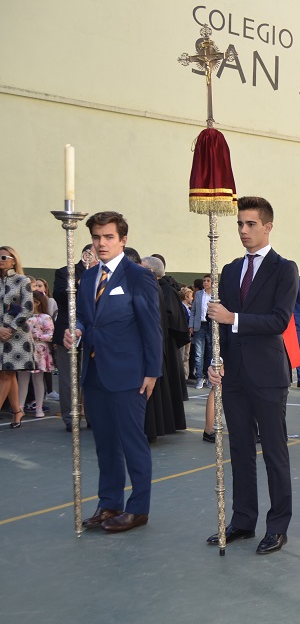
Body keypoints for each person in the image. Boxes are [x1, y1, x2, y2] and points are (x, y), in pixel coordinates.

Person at [205, 196, 298, 555]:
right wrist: (218, 360)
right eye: (240, 224)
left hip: (269, 373)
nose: (244, 230)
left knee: (274, 451)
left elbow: (279, 319)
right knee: (240, 448)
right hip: (235, 374)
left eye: (251, 224)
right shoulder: (229, 270)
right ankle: (243, 521)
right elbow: (220, 327)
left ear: (268, 226)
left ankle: (277, 526)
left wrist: (234, 319)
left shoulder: (284, 268)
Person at [64, 212, 161, 533]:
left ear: (122, 240)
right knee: (104, 444)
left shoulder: (138, 276)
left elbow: (151, 326)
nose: (101, 243)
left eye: (108, 237)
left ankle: (139, 509)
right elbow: (85, 320)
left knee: (132, 443)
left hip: (129, 374)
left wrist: (152, 371)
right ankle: (109, 504)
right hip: (94, 374)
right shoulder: (89, 278)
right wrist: (74, 330)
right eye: (96, 237)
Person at [140, 256, 186, 442]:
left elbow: (171, 317)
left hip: (163, 343)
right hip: (161, 343)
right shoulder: (157, 289)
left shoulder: (161, 290)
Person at [53, 244, 96, 432]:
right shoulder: (65, 272)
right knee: (69, 377)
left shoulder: (103, 275)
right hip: (68, 331)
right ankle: (71, 419)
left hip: (94, 333)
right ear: (86, 255)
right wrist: (78, 285)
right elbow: (60, 296)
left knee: (92, 376)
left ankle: (93, 416)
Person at [1, 246, 36, 429]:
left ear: (13, 260)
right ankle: (17, 411)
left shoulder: (22, 281)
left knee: (6, 373)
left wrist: (10, 328)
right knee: (8, 373)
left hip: (17, 336)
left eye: (4, 257)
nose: (1, 260)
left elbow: (28, 308)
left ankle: (15, 411)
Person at [17, 291, 52, 419]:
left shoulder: (45, 317)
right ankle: (19, 407)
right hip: (24, 350)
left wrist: (36, 336)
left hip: (39, 351)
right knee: (22, 380)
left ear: (36, 302)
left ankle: (39, 407)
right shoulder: (22, 317)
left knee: (38, 380)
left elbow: (50, 335)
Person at [191, 274, 213, 389]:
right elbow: (193, 311)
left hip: (211, 326)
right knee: (199, 353)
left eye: (208, 281)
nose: (205, 283)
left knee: (211, 352)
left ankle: (210, 377)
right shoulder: (199, 294)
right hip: (200, 325)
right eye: (204, 281)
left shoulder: (216, 295)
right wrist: (191, 325)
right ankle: (200, 377)